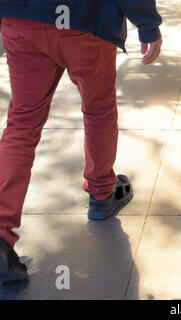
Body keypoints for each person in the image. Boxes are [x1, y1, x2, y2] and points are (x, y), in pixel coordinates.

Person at [0, 0, 162, 283]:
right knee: (98, 109)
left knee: (22, 123)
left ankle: (0, 236)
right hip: (84, 18)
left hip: (21, 17)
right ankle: (101, 194)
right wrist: (147, 24)